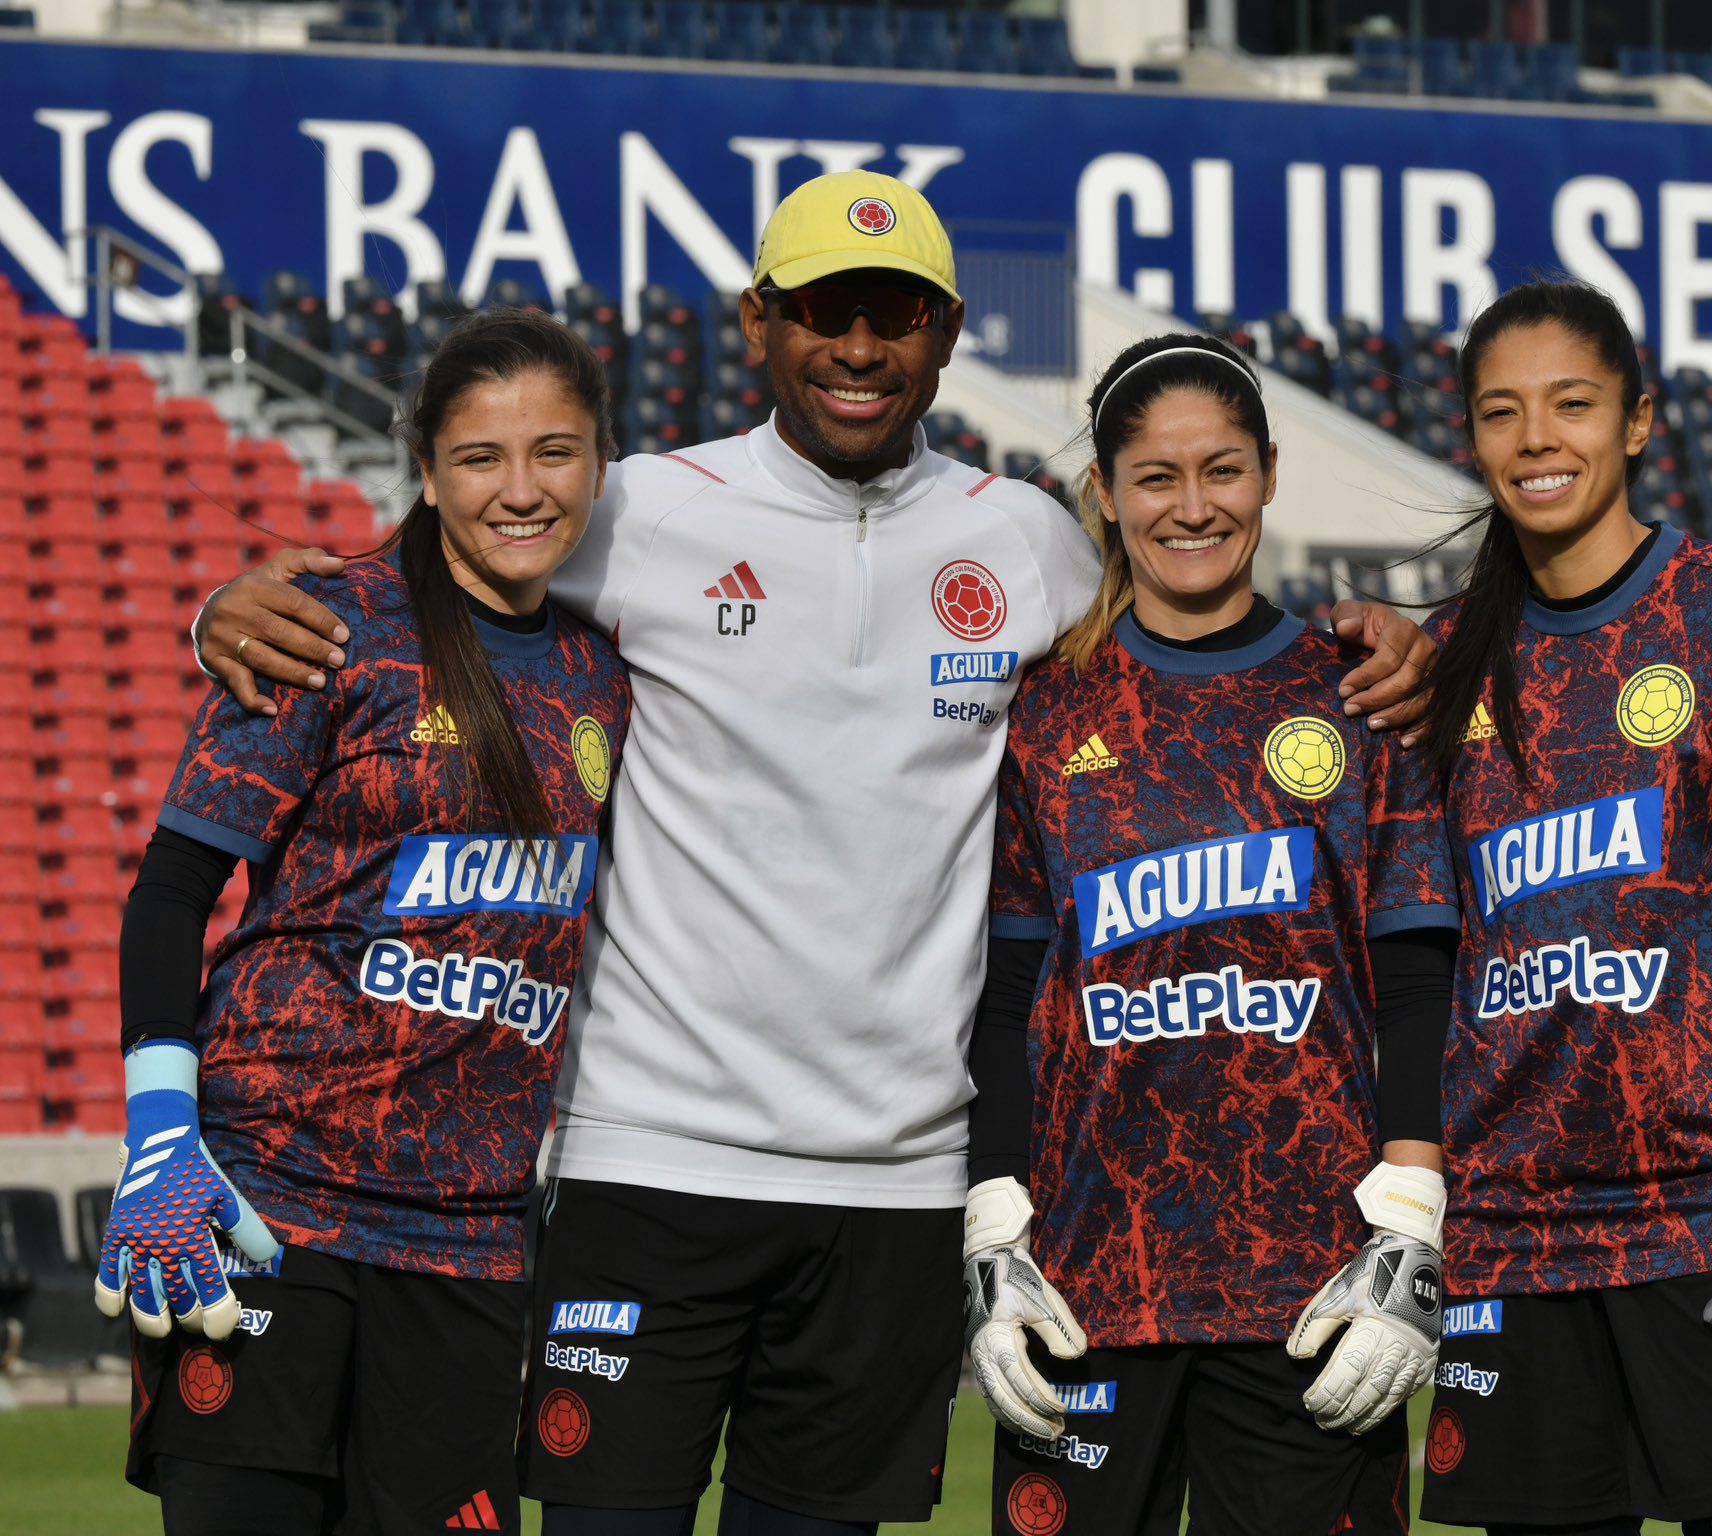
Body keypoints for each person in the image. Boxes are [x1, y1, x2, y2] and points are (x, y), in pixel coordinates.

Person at [189, 171, 1440, 1535]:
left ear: (946, 330)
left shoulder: (1024, 539)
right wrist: (236, 607)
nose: (859, 347)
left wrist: (1373, 635)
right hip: (647, 1160)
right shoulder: (641, 510)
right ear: (758, 321)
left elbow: (1202, 615)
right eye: (824, 313)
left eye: (894, 314)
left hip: (895, 1189)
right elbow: (452, 565)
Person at [97, 309, 630, 1534]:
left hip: (475, 1243)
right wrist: (162, 1134)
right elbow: (173, 891)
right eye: (482, 457)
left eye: (554, 452)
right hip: (269, 1202)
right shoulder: (324, 627)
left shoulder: (610, 672)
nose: (521, 488)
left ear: (602, 463)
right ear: (429, 469)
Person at [1411, 279, 1712, 1535]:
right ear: (1468, 437)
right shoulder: (1443, 661)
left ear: (1635, 422)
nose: (1535, 441)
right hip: (1512, 1232)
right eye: (1501, 413)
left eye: (1570, 405)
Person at [963, 334, 1461, 1536]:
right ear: (1103, 493)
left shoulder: (1357, 694)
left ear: (1270, 474)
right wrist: (993, 1223)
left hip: (1312, 1288)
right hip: (1084, 1285)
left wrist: (1409, 1221)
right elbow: (1008, 997)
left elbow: (1412, 979)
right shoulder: (1041, 710)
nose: (1192, 509)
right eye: (1156, 478)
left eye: (1222, 471)